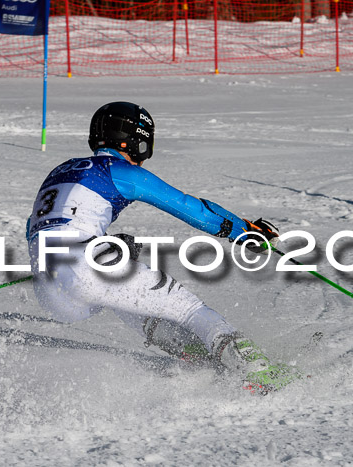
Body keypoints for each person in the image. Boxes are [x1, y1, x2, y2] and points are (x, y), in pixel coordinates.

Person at [26, 101, 299, 394]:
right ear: (137, 141)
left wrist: (102, 248)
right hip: (84, 264)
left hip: (48, 288)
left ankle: (195, 353)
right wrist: (246, 232)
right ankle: (259, 371)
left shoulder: (61, 170)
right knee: (190, 310)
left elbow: (44, 227)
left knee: (122, 298)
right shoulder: (117, 170)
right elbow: (191, 208)